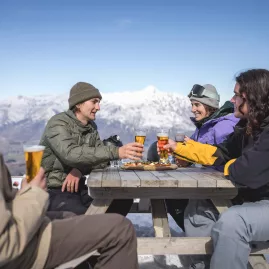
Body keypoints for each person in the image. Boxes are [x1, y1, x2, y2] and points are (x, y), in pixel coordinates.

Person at [163, 69, 269, 269]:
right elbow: (220, 153)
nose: (232, 99)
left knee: (233, 222)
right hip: (253, 198)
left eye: (238, 95)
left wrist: (230, 166)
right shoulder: (247, 127)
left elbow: (245, 170)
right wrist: (181, 148)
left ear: (253, 98)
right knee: (201, 208)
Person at [0, 154, 139, 269]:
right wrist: (34, 194)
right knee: (120, 230)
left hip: (22, 227)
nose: (95, 118)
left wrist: (24, 194)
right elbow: (5, 245)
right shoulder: (59, 124)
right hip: (23, 246)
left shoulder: (89, 129)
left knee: (72, 217)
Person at [40, 82, 143, 215]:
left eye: (99, 102)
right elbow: (71, 154)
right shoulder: (58, 123)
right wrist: (117, 152)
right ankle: (98, 233)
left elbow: (101, 160)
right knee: (87, 219)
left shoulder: (91, 127)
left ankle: (105, 233)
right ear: (78, 103)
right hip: (53, 190)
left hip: (78, 188)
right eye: (94, 102)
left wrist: (78, 169)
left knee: (123, 199)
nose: (98, 107)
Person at [162, 84, 239, 231]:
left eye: (197, 104)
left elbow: (222, 156)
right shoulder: (204, 127)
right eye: (192, 104)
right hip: (206, 184)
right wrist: (185, 158)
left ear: (210, 106)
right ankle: (197, 237)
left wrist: (184, 152)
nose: (193, 109)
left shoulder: (223, 127)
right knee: (169, 195)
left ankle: (202, 242)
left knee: (171, 196)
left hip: (222, 188)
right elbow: (193, 152)